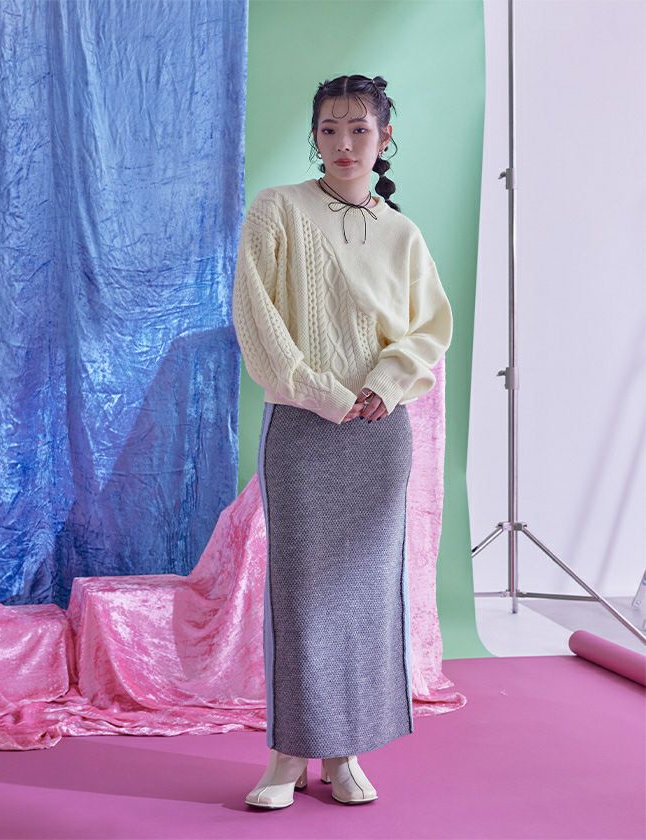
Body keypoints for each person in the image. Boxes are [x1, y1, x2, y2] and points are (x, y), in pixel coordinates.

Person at [232, 74, 453, 809]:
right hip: (303, 426)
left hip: (379, 431)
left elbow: (430, 329)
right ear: (314, 136)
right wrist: (323, 393)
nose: (344, 143)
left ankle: (344, 754)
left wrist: (384, 385)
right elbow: (256, 318)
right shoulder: (278, 210)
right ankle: (286, 757)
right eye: (330, 129)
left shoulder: (403, 234)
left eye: (359, 129)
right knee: (300, 594)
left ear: (385, 138)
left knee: (364, 595)